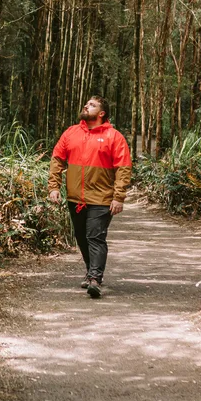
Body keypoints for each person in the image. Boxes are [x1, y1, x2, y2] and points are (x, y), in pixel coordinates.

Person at [47, 96, 132, 298]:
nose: (86, 106)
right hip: (76, 198)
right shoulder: (71, 133)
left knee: (95, 237)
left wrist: (118, 197)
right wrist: (54, 187)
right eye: (86, 104)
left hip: (102, 198)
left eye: (92, 105)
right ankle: (90, 271)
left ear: (102, 113)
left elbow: (123, 168)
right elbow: (57, 159)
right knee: (81, 237)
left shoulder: (114, 137)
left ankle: (95, 278)